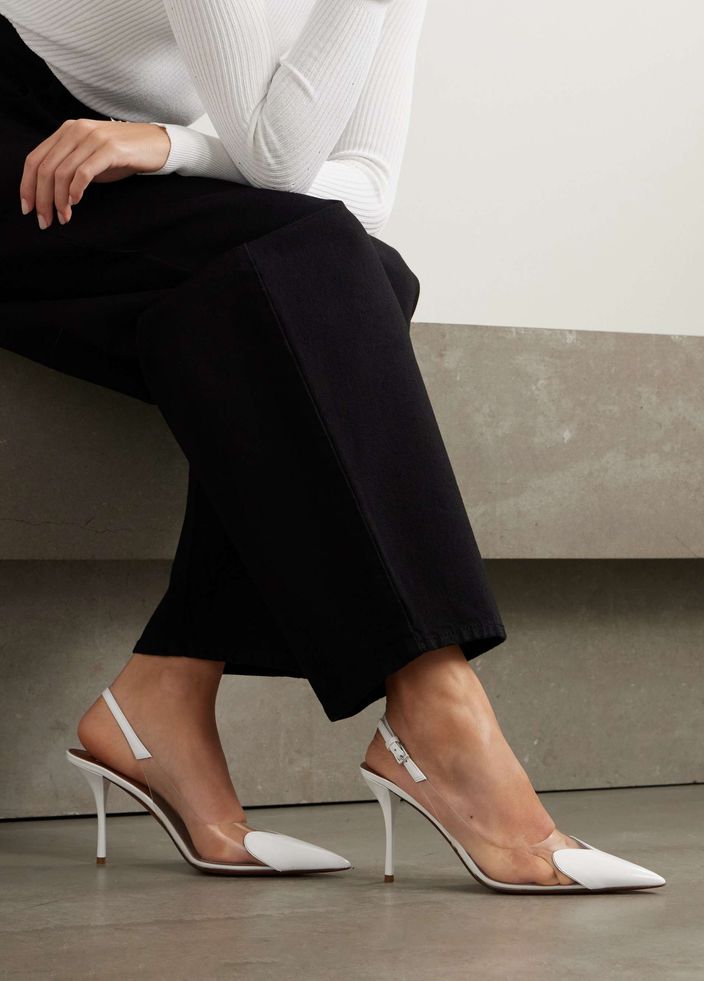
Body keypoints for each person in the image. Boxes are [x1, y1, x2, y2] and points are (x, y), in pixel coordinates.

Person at [0, 0, 665, 891]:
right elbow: (280, 165)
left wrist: (173, 147)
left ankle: (169, 685)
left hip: (113, 169)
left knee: (368, 272)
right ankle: (433, 706)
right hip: (25, 166)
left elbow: (367, 189)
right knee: (323, 267)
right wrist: (174, 150)